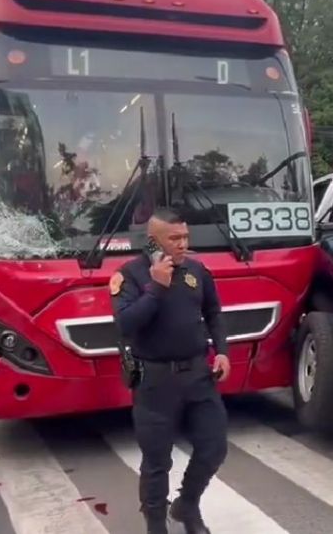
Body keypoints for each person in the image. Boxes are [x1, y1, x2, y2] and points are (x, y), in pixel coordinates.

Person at [111, 209, 230, 534]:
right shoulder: (130, 275)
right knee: (157, 462)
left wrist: (221, 350)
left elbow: (214, 312)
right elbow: (124, 323)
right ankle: (155, 526)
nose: (182, 244)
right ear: (153, 242)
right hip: (155, 381)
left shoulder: (196, 270)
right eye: (174, 238)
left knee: (214, 446)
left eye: (185, 237)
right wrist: (157, 288)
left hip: (198, 376)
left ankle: (187, 505)